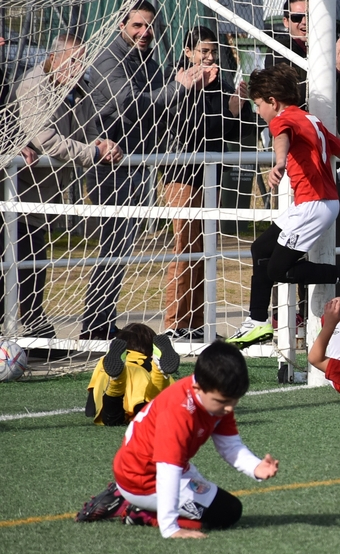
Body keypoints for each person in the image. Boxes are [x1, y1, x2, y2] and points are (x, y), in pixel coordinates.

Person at [83, 0, 212, 340]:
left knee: (121, 249)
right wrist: (177, 87)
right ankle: (94, 326)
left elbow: (165, 108)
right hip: (111, 167)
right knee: (112, 245)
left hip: (142, 165)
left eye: (149, 26)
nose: (144, 32)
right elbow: (129, 103)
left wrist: (195, 88)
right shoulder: (108, 58)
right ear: (121, 26)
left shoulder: (151, 63)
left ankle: (100, 322)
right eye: (137, 26)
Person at [74, 341, 279, 538]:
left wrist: (255, 467)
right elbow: (167, 470)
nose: (229, 408)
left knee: (225, 508)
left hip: (169, 469)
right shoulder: (178, 412)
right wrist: (170, 527)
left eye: (235, 401)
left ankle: (135, 503)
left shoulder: (216, 396)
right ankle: (136, 509)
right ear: (198, 388)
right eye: (223, 402)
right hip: (141, 479)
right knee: (227, 513)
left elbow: (229, 444)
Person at [226, 64, 340, 349]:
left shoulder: (283, 119)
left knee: (277, 271)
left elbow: (280, 136)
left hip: (314, 205)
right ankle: (258, 321)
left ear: (272, 102)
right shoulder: (312, 120)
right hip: (314, 203)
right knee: (260, 248)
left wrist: (281, 162)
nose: (259, 111)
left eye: (258, 105)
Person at [11, 34, 122, 338]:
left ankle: (34, 327)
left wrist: (104, 144)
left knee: (35, 262)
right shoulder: (34, 85)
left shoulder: (79, 90)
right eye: (75, 60)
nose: (80, 67)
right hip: (14, 194)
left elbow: (90, 132)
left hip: (42, 197)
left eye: (83, 60)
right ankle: (28, 329)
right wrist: (93, 153)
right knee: (18, 261)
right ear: (54, 58)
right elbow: (43, 139)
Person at [162, 26, 250, 341]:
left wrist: (239, 105)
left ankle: (196, 323)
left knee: (203, 250)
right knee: (184, 248)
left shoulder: (219, 84)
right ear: (188, 53)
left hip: (209, 177)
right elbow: (186, 129)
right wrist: (194, 90)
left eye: (213, 51)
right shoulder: (177, 81)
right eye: (203, 51)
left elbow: (231, 131)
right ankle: (174, 324)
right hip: (182, 177)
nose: (210, 57)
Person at [267, 0, 340, 140]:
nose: (304, 22)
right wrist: (333, 73)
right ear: (286, 21)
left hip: (331, 138)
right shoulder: (278, 51)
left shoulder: (328, 47)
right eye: (297, 17)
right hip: (295, 138)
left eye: (309, 16)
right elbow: (291, 96)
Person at [84, 324, 180, 426]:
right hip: (140, 376)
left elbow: (90, 410)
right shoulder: (148, 362)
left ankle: (117, 379)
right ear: (151, 348)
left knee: (111, 419)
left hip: (110, 398)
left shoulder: (104, 362)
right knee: (150, 411)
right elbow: (173, 397)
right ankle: (159, 371)